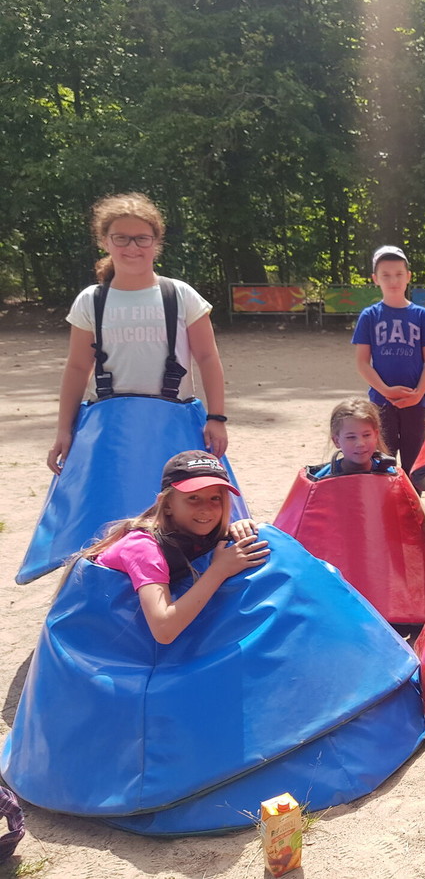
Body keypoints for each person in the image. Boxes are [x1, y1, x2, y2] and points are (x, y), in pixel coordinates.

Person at [48, 193, 230, 473]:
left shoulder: (181, 295)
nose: (132, 247)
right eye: (121, 238)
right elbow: (77, 367)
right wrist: (64, 429)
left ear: (156, 242)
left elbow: (207, 357)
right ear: (105, 241)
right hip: (107, 429)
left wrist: (216, 417)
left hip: (174, 424)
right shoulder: (90, 300)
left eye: (142, 238)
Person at [81, 451, 269, 645]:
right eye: (193, 497)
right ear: (167, 504)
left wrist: (236, 530)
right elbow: (164, 631)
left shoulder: (195, 532)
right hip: (98, 644)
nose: (206, 508)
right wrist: (219, 570)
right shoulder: (143, 547)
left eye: (215, 498)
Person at [352, 246, 425, 476]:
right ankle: (386, 500)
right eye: (386, 275)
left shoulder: (422, 316)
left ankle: (413, 500)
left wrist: (418, 394)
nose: (393, 280)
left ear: (408, 276)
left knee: (415, 464)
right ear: (375, 279)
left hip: (415, 403)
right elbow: (362, 362)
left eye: (399, 274)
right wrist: (385, 390)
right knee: (383, 463)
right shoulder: (369, 316)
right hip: (381, 403)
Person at [311, 397, 398, 479]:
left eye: (366, 435)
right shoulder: (321, 480)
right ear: (336, 441)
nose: (360, 443)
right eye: (351, 437)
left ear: (375, 436)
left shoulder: (390, 476)